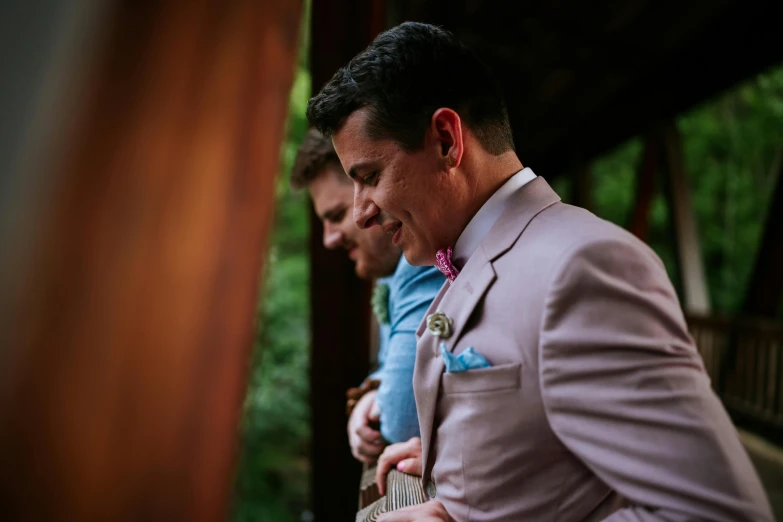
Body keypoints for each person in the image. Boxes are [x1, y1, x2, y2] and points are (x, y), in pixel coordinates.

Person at [307, 21, 773, 522]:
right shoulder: (473, 252)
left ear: (446, 140)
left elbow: (717, 512)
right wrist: (463, 468)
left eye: (370, 177)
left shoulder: (583, 268)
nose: (361, 213)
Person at [291, 128, 444, 463]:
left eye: (336, 216)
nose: (329, 240)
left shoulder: (419, 262)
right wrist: (369, 393)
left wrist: (378, 399)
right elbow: (391, 367)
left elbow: (401, 420)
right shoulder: (388, 276)